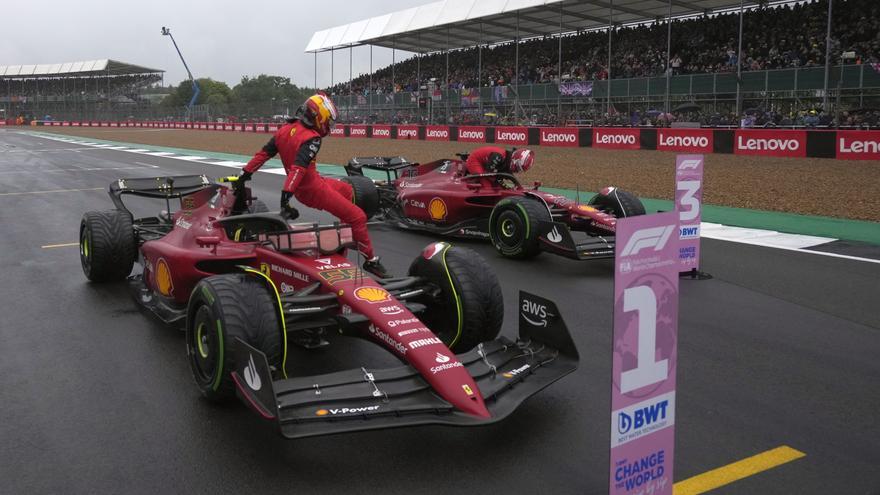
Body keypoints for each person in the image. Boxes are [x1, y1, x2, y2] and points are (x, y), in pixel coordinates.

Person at [237, 92, 391, 278]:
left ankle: (344, 239)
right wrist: (285, 198)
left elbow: (262, 155)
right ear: (319, 118)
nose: (329, 127)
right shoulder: (312, 138)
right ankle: (370, 260)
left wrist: (244, 175)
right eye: (328, 122)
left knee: (347, 190)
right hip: (312, 191)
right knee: (358, 217)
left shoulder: (284, 129)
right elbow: (298, 169)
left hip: (314, 183)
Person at [464, 146, 534, 176]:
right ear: (515, 159)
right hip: (475, 160)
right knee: (486, 182)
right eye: (518, 167)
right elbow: (488, 174)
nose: (517, 170)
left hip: (485, 162)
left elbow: (509, 176)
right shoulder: (498, 157)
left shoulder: (507, 159)